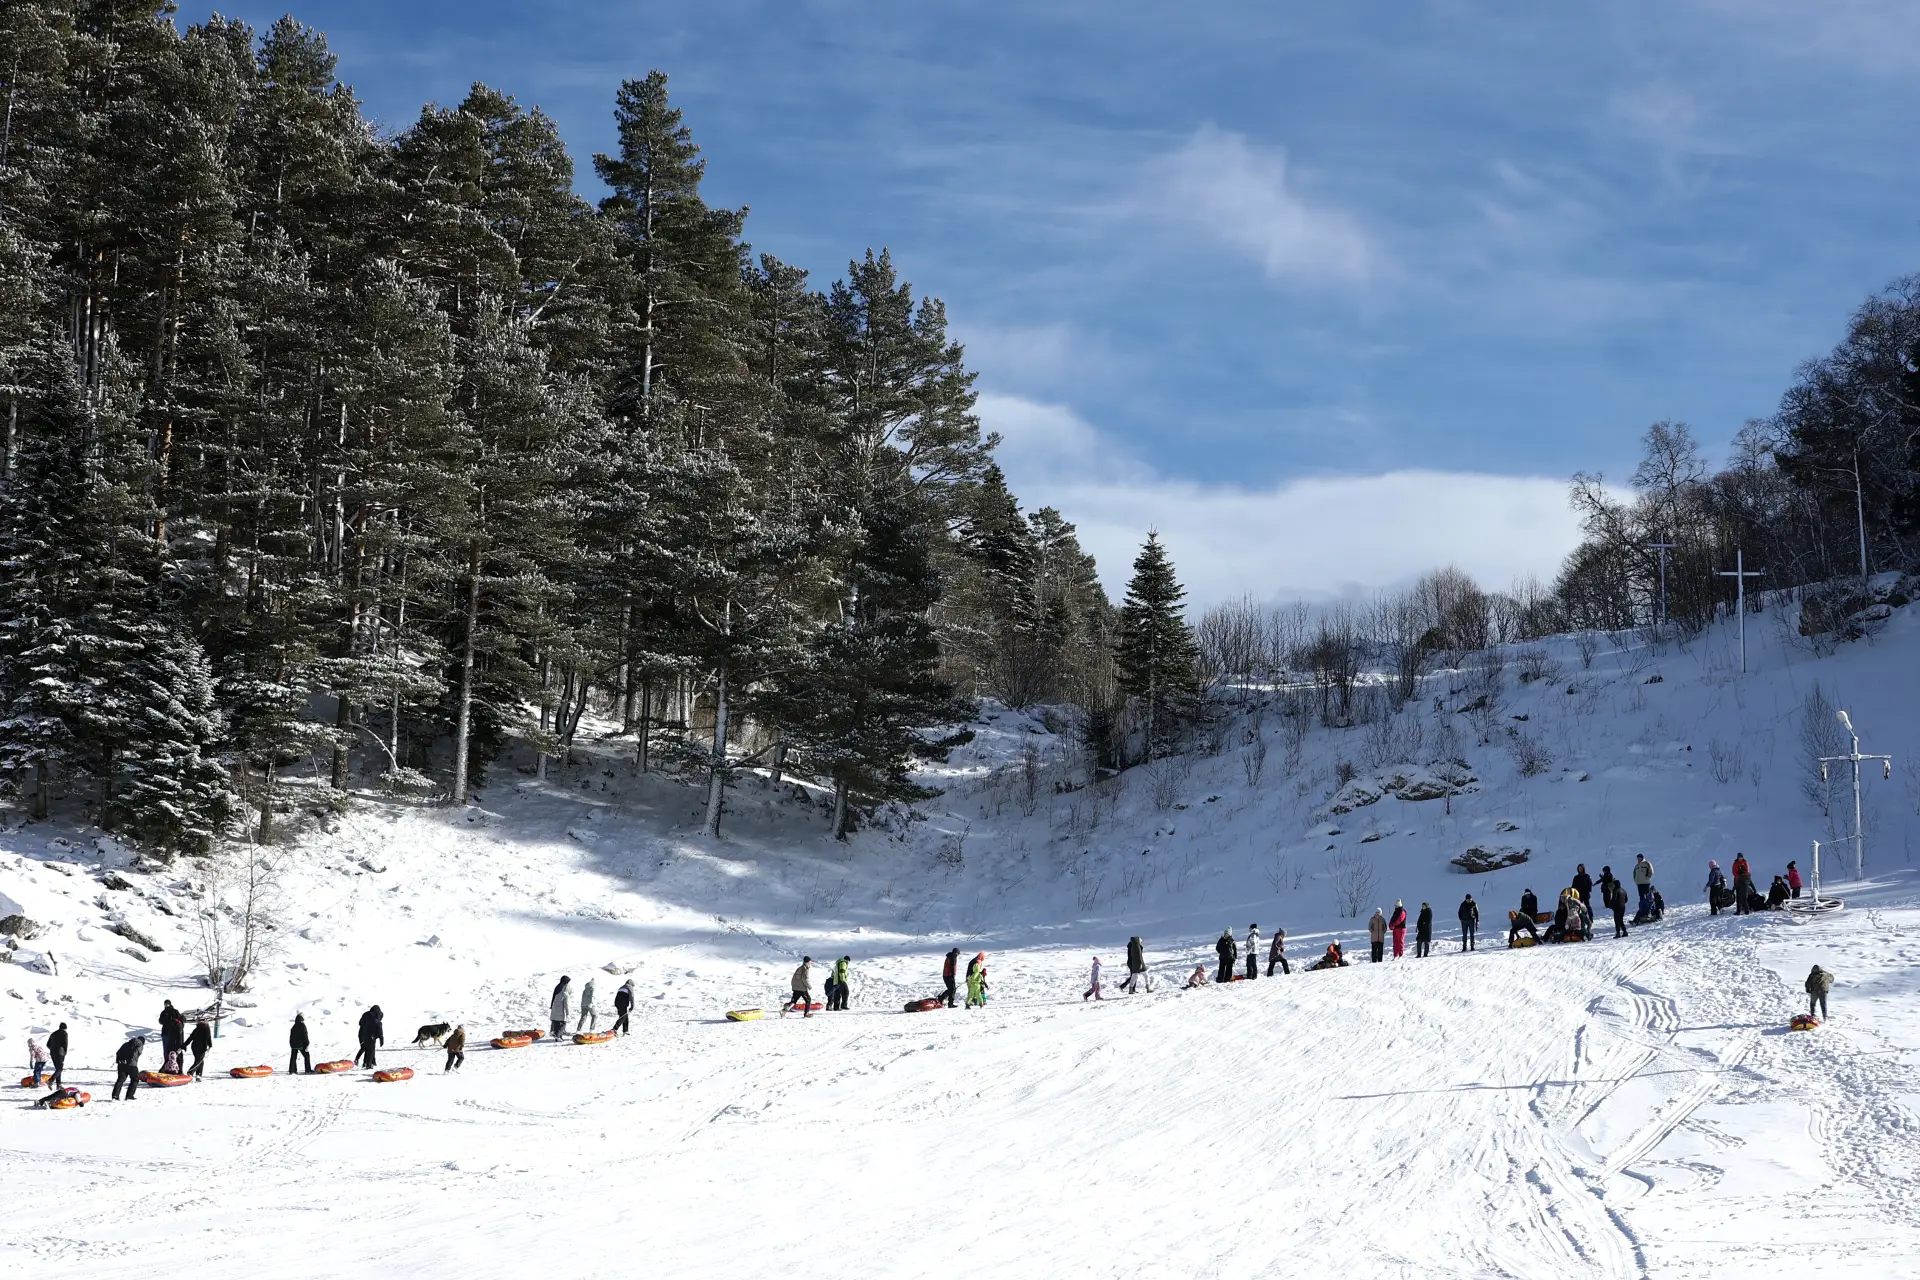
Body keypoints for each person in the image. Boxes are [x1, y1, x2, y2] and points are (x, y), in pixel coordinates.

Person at [112, 1032, 144, 1101]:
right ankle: (129, 1095)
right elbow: (137, 1053)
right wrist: (131, 1061)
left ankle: (115, 1096)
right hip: (131, 1065)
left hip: (121, 1064)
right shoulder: (140, 1044)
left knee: (120, 1080)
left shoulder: (126, 1044)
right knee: (135, 1079)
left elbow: (118, 1052)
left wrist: (119, 1061)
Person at [159, 999, 185, 1074]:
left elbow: (181, 1020)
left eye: (167, 1004)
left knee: (174, 1051)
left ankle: (177, 1068)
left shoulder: (174, 1011)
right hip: (166, 1033)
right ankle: (167, 1066)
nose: (166, 1006)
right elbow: (160, 1021)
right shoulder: (163, 1013)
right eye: (165, 1004)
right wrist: (166, 1019)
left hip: (174, 1033)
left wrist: (175, 1022)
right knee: (166, 1051)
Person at [1604, 874, 1629, 938]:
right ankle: (1624, 931)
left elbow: (1614, 899)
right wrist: (1622, 903)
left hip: (1617, 908)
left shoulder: (1615, 891)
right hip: (1623, 907)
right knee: (1621, 920)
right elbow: (1626, 899)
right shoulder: (1623, 890)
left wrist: (1610, 906)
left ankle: (1618, 933)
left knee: (1617, 920)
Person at [1633, 854, 1656, 920]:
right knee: (1641, 897)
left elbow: (1651, 871)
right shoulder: (1637, 866)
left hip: (1646, 883)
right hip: (1639, 884)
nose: (1638, 859)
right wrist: (1636, 880)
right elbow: (1634, 873)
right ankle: (1642, 911)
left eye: (1639, 858)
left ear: (1642, 858)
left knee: (1648, 897)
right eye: (1637, 858)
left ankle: (1649, 911)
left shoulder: (1646, 863)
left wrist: (1648, 877)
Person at [47, 1022, 68, 1088]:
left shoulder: (53, 1033)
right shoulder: (64, 1033)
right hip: (60, 1053)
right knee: (60, 1069)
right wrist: (64, 1052)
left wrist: (53, 1049)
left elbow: (48, 1044)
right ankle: (51, 1080)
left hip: (52, 1053)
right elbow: (65, 1044)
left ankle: (58, 1085)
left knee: (58, 1069)